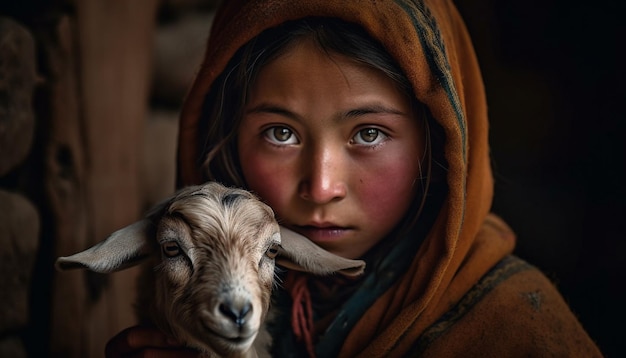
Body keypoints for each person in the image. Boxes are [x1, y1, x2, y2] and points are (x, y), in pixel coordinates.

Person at [105, 0, 603, 356]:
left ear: (439, 144)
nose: (321, 188)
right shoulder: (195, 307)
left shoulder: (513, 330)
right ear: (225, 138)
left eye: (368, 134)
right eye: (281, 133)